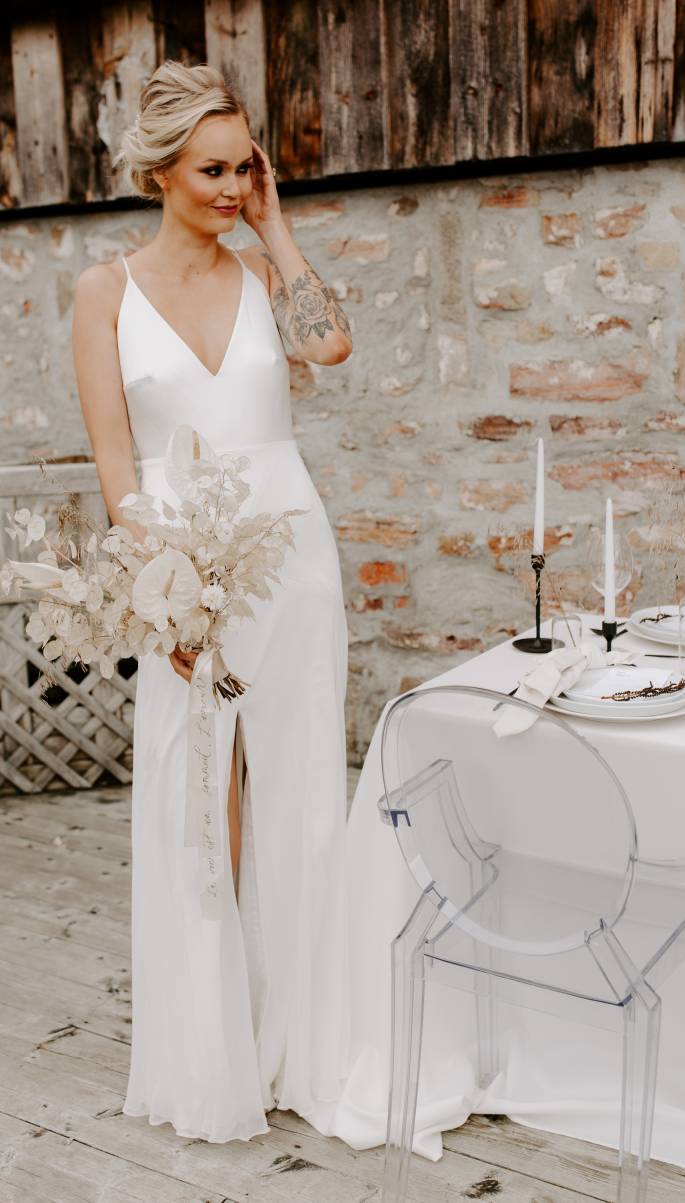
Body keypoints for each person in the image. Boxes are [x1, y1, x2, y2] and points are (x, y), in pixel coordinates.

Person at [71, 60, 352, 1143]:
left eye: (246, 168)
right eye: (212, 171)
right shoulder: (104, 292)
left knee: (296, 793)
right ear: (158, 170)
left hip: (293, 557)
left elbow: (325, 343)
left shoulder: (259, 272)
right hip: (181, 566)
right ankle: (212, 1054)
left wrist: (277, 235)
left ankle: (299, 1045)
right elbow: (114, 465)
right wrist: (163, 597)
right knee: (199, 803)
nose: (232, 187)